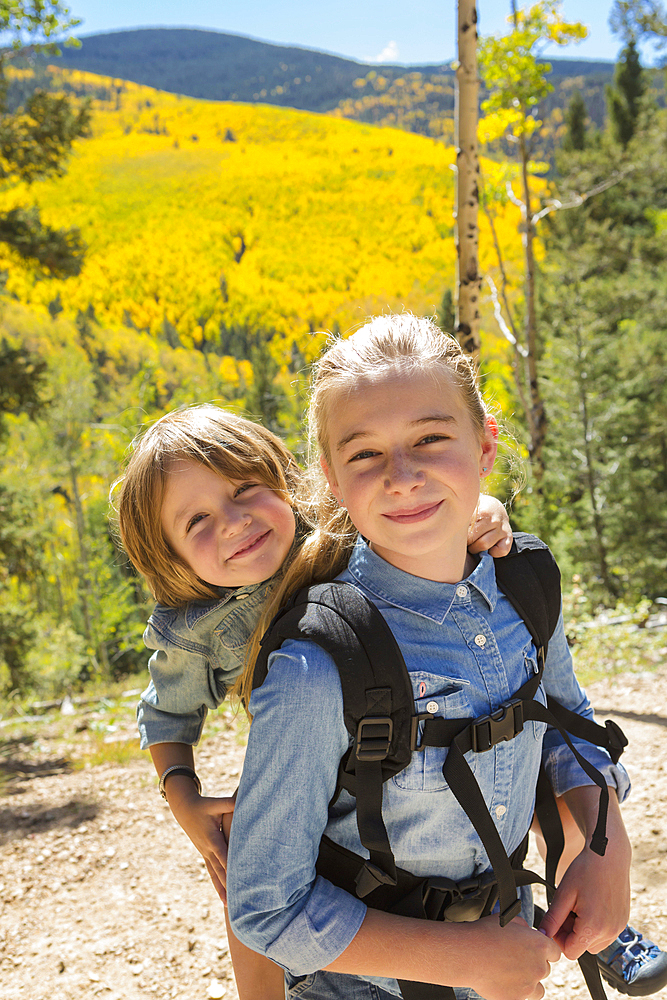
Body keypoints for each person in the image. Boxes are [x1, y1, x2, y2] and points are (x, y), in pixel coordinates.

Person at [225, 314, 635, 1000]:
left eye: (430, 439)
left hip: (504, 962)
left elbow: (565, 719)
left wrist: (603, 845)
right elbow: (266, 907)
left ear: (484, 446)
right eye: (364, 455)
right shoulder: (317, 661)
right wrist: (464, 962)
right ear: (331, 478)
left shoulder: (522, 584)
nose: (401, 475)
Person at [113, 402, 515, 1000]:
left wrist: (484, 512)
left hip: (413, 713)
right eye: (196, 521)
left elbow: (426, 513)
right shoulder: (196, 628)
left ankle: (585, 915)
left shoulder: (344, 526)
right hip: (306, 744)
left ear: (286, 479)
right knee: (254, 863)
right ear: (169, 557)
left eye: (246, 488)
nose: (233, 522)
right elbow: (166, 712)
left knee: (512, 741)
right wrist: (186, 800)